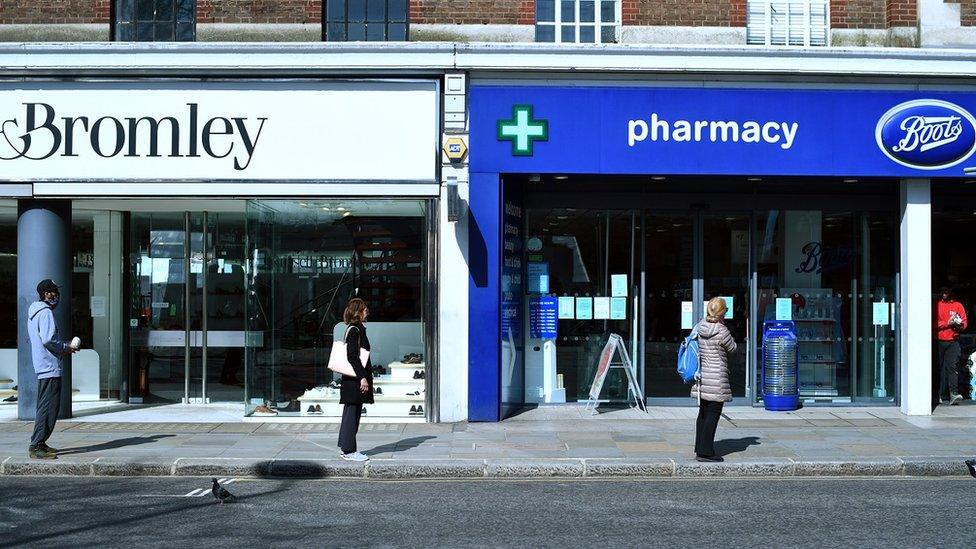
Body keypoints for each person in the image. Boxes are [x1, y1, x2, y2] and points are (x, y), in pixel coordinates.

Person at [27, 279, 78, 460]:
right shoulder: (45, 312)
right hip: (49, 366)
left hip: (43, 364)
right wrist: (65, 348)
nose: (56, 295)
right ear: (46, 294)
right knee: (48, 407)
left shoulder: (35, 312)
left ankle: (40, 442)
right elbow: (48, 339)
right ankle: (36, 446)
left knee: (45, 406)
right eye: (53, 291)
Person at [692, 297, 736, 463]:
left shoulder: (701, 326)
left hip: (703, 376)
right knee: (713, 413)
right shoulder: (722, 331)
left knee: (703, 412)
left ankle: (699, 447)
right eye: (726, 310)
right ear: (721, 312)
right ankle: (705, 452)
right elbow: (732, 348)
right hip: (717, 376)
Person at [338, 297, 374, 461]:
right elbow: (352, 357)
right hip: (353, 379)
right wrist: (362, 378)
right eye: (365, 309)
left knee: (352, 413)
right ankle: (349, 451)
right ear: (358, 312)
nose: (367, 311)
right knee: (351, 414)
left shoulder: (358, 329)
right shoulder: (354, 330)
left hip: (353, 378)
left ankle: (348, 448)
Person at [935, 286, 968, 405]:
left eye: (947, 290)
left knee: (952, 367)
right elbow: (932, 322)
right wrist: (947, 323)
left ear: (951, 291)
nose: (945, 293)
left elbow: (964, 323)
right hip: (938, 341)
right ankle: (937, 394)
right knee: (938, 368)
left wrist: (959, 325)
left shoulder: (958, 305)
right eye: (943, 290)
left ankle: (953, 394)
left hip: (953, 341)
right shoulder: (936, 304)